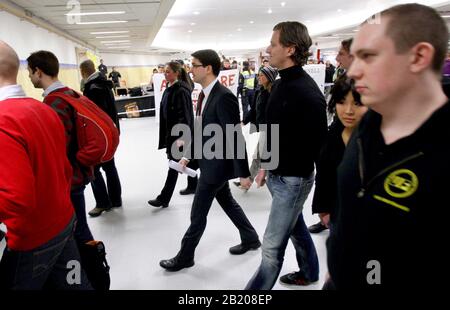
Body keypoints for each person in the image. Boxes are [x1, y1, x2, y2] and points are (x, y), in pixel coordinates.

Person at [327, 3, 450, 289]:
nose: (353, 71)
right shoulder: (367, 125)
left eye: (368, 56)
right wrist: (338, 264)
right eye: (354, 56)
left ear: (418, 57)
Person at [159, 49, 260, 272]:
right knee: (228, 203)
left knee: (197, 214)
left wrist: (244, 173)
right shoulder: (203, 94)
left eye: (194, 65)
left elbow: (235, 137)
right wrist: (188, 155)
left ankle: (185, 256)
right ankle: (251, 237)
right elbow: (201, 130)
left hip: (216, 167)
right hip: (208, 162)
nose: (190, 70)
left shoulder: (224, 97)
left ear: (208, 68)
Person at [0, 41, 91, 289]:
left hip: (31, 241)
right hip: (62, 223)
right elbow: (63, 169)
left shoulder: (3, 121)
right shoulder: (42, 109)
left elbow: (17, 199)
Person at [245, 21, 327, 290]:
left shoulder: (308, 94)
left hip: (294, 181)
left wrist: (324, 202)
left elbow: (320, 150)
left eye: (273, 43)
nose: (268, 49)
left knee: (270, 248)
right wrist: (265, 167)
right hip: (278, 176)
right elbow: (273, 132)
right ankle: (310, 271)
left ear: (290, 49)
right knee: (295, 226)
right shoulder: (280, 84)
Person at [278, 76, 367, 287]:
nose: (348, 111)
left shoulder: (376, 137)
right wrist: (323, 209)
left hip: (368, 218)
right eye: (342, 102)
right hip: (339, 213)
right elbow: (325, 172)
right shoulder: (334, 133)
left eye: (357, 103)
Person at [27, 50, 95, 246]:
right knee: (79, 228)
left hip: (69, 177)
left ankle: (93, 274)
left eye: (30, 72)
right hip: (77, 172)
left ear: (38, 71)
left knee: (78, 230)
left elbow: (58, 146)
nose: (29, 77)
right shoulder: (69, 93)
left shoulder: (53, 101)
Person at [148, 61, 197, 208]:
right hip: (171, 132)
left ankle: (164, 198)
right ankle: (194, 185)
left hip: (178, 134)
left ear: (177, 73)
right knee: (189, 161)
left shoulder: (181, 90)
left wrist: (182, 137)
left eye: (168, 71)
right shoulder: (169, 88)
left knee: (174, 165)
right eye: (165, 71)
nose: (165, 73)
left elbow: (186, 115)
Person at [79, 60, 123, 217]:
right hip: (110, 130)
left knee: (94, 169)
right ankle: (116, 199)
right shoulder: (104, 83)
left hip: (100, 135)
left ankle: (103, 203)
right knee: (110, 166)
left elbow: (95, 116)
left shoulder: (92, 88)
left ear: (83, 71)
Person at [233, 66, 278, 191]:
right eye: (258, 75)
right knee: (259, 156)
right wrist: (244, 121)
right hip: (263, 128)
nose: (259, 77)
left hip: (272, 129)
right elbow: (253, 110)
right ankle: (249, 181)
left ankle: (253, 182)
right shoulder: (259, 91)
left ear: (269, 78)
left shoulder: (275, 92)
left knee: (263, 156)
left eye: (261, 75)